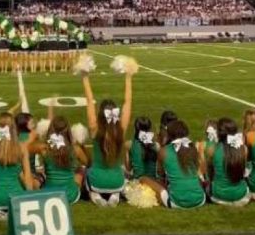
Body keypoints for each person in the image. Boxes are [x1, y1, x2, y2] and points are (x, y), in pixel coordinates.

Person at [81, 58, 134, 206]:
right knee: (119, 174)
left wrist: (85, 77)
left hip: (97, 180)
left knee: (85, 172)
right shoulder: (121, 129)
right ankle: (115, 195)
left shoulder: (94, 128)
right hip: (117, 180)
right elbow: (127, 102)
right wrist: (128, 76)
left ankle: (95, 195)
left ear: (100, 114)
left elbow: (89, 100)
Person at [139, 120, 206, 209]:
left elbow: (160, 176)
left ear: (169, 135)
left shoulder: (164, 151)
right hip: (200, 199)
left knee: (143, 179)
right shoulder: (192, 148)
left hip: (176, 202)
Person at [29, 116, 88, 204]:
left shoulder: (43, 148)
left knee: (39, 174)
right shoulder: (75, 149)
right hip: (70, 196)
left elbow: (25, 148)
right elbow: (87, 162)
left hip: (49, 195)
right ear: (68, 131)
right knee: (82, 169)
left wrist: (37, 136)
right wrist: (81, 144)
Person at [206, 117, 250, 206]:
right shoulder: (243, 149)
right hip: (240, 194)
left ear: (218, 133)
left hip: (218, 195)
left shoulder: (212, 149)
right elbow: (245, 171)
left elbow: (210, 173)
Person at [15, 113, 40, 187]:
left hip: (14, 176)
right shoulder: (34, 137)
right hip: (30, 176)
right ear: (25, 125)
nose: (34, 125)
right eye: (32, 123)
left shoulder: (13, 137)